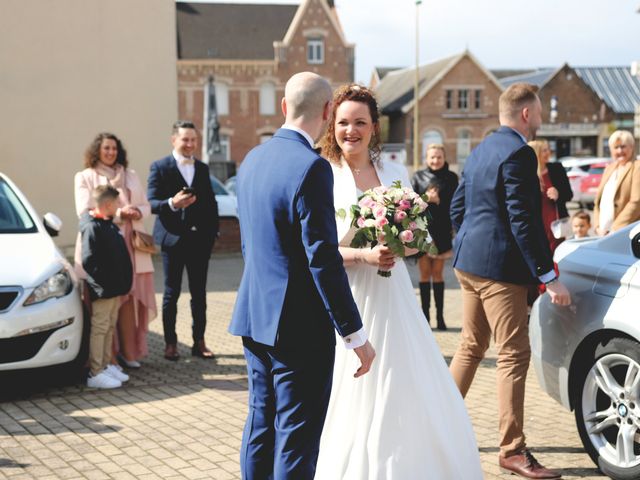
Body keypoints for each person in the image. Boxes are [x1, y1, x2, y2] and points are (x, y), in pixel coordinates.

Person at [315, 84, 482, 479]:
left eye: (360, 122)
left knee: (404, 380)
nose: (351, 131)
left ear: (375, 127)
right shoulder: (322, 172)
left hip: (394, 294)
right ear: (331, 126)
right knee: (355, 388)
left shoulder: (394, 172)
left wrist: (402, 245)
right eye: (343, 122)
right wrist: (364, 255)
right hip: (349, 295)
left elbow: (415, 236)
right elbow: (317, 249)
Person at [229, 73, 376, 480]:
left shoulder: (253, 158)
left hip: (254, 314)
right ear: (329, 113)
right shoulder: (312, 168)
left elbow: (249, 243)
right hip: (297, 327)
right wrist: (354, 334)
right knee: (296, 434)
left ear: (283, 107)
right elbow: (322, 259)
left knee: (261, 423)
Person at [449, 83, 571, 479]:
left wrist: (469, 241)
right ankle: (512, 450)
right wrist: (549, 276)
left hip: (468, 261)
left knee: (470, 346)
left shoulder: (481, 148)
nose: (541, 120)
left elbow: (457, 207)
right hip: (500, 269)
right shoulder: (519, 153)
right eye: (538, 112)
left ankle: (440, 423)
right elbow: (524, 220)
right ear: (525, 114)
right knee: (513, 354)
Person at [74, 133, 156, 369]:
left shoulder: (130, 175)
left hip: (131, 245)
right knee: (107, 305)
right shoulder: (85, 176)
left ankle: (129, 353)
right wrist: (120, 214)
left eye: (114, 148)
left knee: (129, 299)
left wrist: (137, 212)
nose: (111, 152)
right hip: (103, 246)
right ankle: (106, 360)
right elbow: (85, 209)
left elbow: (146, 205)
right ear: (97, 150)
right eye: (106, 148)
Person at [147, 121, 219, 361]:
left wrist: (212, 234)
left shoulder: (203, 168)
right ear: (174, 140)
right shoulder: (160, 167)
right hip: (172, 241)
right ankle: (170, 343)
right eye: (185, 140)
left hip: (200, 241)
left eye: (193, 140)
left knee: (199, 294)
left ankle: (199, 342)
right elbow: (151, 203)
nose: (190, 144)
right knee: (171, 293)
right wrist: (172, 203)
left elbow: (210, 204)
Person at [80, 185, 133, 389]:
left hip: (113, 288)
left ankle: (105, 363)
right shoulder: (93, 227)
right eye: (117, 203)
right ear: (108, 204)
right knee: (100, 327)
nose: (119, 207)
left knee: (110, 325)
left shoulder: (108, 224)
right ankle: (95, 372)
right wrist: (104, 283)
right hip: (104, 289)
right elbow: (89, 261)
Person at [411, 143, 458, 329]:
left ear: (444, 157)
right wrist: (426, 200)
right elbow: (409, 204)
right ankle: (425, 317)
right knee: (424, 274)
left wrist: (440, 200)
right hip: (422, 231)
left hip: (443, 231)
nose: (435, 160)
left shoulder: (452, 178)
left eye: (438, 157)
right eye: (432, 157)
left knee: (438, 274)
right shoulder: (418, 177)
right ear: (426, 158)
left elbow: (456, 203)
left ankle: (440, 317)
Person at [528, 139, 572, 253]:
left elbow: (569, 194)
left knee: (557, 253)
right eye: (544, 150)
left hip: (556, 224)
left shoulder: (556, 169)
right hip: (537, 224)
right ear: (535, 153)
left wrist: (558, 194)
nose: (548, 153)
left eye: (548, 149)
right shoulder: (528, 174)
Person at [593, 130, 640, 236]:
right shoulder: (609, 168)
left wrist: (615, 229)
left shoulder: (637, 167)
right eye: (616, 147)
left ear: (632, 147)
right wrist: (597, 227)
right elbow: (597, 202)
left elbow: (637, 202)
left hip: (624, 232)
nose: (620, 151)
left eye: (623, 146)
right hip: (603, 233)